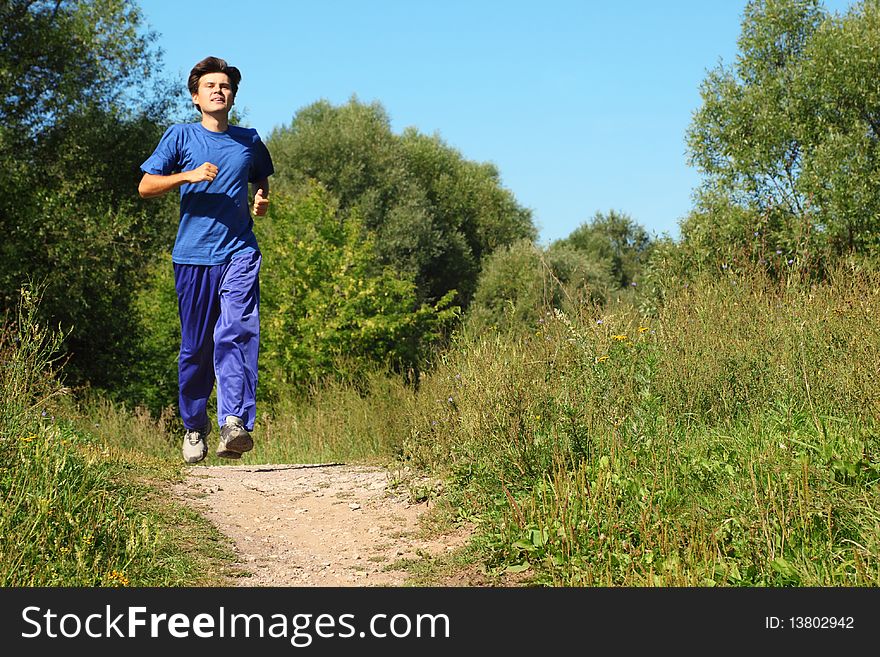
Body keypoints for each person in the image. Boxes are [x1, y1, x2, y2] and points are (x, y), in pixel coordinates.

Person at [138, 56, 274, 463]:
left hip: (239, 251)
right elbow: (146, 186)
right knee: (196, 347)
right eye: (210, 86)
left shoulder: (248, 139)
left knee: (236, 331)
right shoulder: (180, 137)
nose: (219, 90)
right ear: (196, 97)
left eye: (226, 86)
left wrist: (261, 199)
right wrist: (187, 176)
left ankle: (234, 422)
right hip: (193, 256)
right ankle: (194, 427)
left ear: (233, 96)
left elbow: (260, 175)